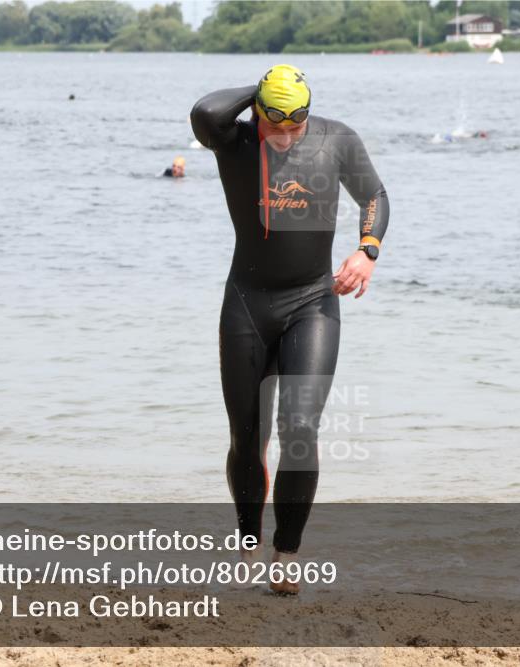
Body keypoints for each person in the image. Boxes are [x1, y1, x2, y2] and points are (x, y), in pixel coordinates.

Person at [191, 64, 389, 594]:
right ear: (257, 113)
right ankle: (249, 540)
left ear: (307, 114)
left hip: (312, 303)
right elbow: (205, 111)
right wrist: (257, 94)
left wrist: (367, 250)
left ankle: (287, 555)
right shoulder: (234, 142)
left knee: (300, 430)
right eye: (274, 128)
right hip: (247, 304)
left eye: (293, 127)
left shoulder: (336, 139)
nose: (284, 138)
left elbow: (375, 196)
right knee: (246, 435)